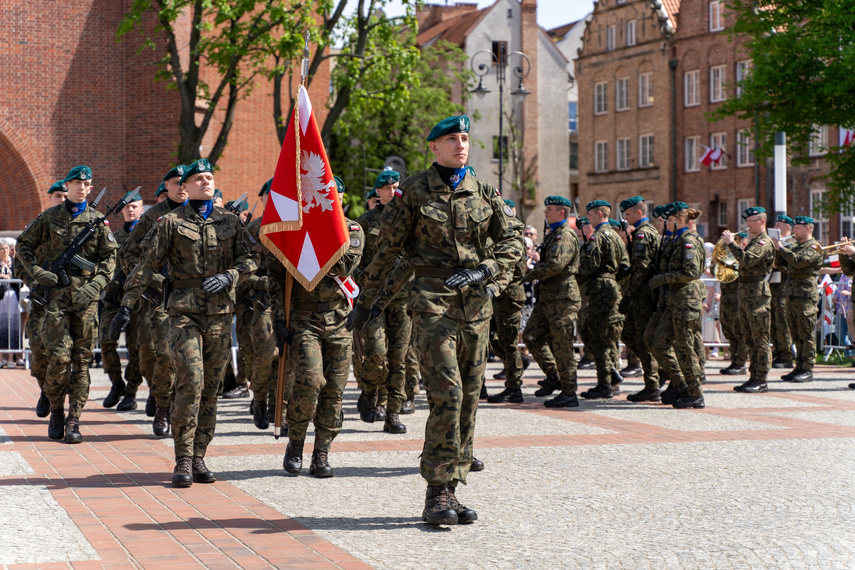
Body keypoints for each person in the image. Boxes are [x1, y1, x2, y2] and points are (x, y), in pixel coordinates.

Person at [347, 115, 523, 526]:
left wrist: (487, 270)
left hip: (476, 308)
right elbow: (387, 250)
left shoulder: (482, 190)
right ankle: (437, 492)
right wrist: (368, 300)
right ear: (434, 147)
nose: (461, 144)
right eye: (451, 139)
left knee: (470, 399)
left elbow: (514, 237)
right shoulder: (412, 191)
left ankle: (454, 487)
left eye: (464, 138)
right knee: (447, 395)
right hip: (431, 305)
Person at [113, 159, 256, 486]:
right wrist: (125, 305)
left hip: (220, 316)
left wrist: (230, 275)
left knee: (210, 389)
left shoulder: (230, 223)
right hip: (183, 313)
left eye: (209, 178)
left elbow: (250, 260)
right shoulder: (169, 223)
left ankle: (199, 456)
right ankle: (182, 459)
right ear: (185, 187)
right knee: (190, 380)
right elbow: (145, 265)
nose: (206, 183)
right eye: (198, 179)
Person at [17, 165, 118, 443]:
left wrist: (96, 285)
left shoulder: (98, 221)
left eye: (86, 184)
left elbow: (109, 260)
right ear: (68, 185)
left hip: (85, 301)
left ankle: (74, 420)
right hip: (55, 301)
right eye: (76, 183)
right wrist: (38, 274)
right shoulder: (50, 218)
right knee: (59, 359)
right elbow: (23, 245)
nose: (81, 188)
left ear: (90, 188)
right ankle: (56, 410)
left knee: (82, 362)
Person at [272, 184, 364, 478]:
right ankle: (296, 442)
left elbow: (344, 267)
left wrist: (322, 231)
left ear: (340, 198)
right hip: (303, 319)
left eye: (334, 193)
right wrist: (278, 319)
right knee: (311, 381)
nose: (328, 198)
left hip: (338, 319)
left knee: (334, 391)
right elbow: (277, 278)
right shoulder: (295, 229)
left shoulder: (352, 229)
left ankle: (322, 451)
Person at [118, 165, 188, 431]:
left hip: (192, 298)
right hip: (159, 298)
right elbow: (128, 254)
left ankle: (175, 409)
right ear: (166, 185)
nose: (182, 186)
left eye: (186, 181)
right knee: (160, 355)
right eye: (176, 182)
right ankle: (162, 405)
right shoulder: (153, 216)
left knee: (187, 359)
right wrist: (153, 281)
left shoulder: (201, 215)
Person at [352, 170, 409, 433]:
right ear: (378, 192)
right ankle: (370, 390)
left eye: (396, 187)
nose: (392, 191)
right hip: (373, 297)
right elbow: (354, 262)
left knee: (399, 357)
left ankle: (393, 414)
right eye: (387, 188)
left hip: (402, 298)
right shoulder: (364, 222)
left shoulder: (409, 219)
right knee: (376, 352)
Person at [518, 195, 581, 407]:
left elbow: (556, 265)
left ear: (561, 212)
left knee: (562, 345)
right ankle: (554, 376)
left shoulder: (564, 235)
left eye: (549, 209)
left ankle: (569, 393)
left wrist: (528, 275)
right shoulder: (553, 234)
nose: (545, 212)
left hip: (562, 297)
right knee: (531, 335)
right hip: (548, 297)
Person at [648, 204, 706, 408]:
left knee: (685, 346)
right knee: (655, 340)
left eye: (670, 220)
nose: (666, 224)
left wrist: (664, 278)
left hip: (685, 300)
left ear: (679, 220)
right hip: (674, 301)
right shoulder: (677, 240)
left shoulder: (688, 241)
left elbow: (691, 273)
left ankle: (695, 392)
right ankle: (681, 383)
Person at [721, 206, 774, 393]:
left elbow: (747, 261)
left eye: (752, 221)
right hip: (746, 294)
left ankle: (761, 379)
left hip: (757, 296)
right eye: (747, 222)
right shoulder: (753, 241)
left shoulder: (763, 242)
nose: (748, 225)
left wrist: (731, 244)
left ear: (762, 222)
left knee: (760, 338)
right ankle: (753, 376)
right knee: (750, 338)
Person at [577, 200, 627, 399]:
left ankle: (604, 382)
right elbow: (625, 266)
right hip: (613, 286)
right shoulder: (615, 236)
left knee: (595, 335)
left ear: (599, 214)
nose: (588, 218)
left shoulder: (597, 237)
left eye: (590, 215)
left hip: (599, 288)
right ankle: (611, 375)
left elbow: (589, 266)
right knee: (606, 336)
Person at [99, 192, 144, 408]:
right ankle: (117, 383)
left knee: (136, 348)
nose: (130, 210)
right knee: (106, 341)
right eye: (126, 207)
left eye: (134, 206)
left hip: (137, 301)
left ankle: (132, 391)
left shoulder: (147, 236)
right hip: (114, 299)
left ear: (142, 210)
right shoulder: (114, 237)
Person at [618, 196, 663, 402]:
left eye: (628, 214)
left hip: (643, 295)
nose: (625, 219)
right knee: (629, 335)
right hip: (642, 293)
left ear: (639, 212)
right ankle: (655, 377)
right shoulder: (643, 232)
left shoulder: (643, 234)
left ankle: (653, 383)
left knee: (642, 340)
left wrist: (629, 294)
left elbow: (641, 269)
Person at [243, 179, 279, 429]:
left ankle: (281, 408)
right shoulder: (255, 229)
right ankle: (259, 398)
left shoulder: (297, 226)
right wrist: (267, 283)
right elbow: (244, 271)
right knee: (266, 355)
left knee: (290, 357)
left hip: (294, 302)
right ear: (264, 198)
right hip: (265, 302)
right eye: (272, 194)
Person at [773, 216, 822, 382]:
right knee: (795, 332)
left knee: (806, 333)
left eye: (797, 228)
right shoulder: (795, 245)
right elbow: (781, 264)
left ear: (807, 228)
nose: (794, 231)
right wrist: (779, 248)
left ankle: (807, 368)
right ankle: (798, 366)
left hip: (805, 295)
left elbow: (799, 261)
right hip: (792, 293)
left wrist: (781, 248)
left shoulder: (814, 246)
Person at [717, 231, 749, 374]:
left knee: (739, 331)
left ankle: (741, 363)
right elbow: (716, 271)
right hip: (726, 298)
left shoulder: (741, 257)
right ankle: (734, 361)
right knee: (729, 331)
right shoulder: (726, 258)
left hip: (737, 298)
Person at [770, 214, 795, 368]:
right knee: (773, 321)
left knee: (782, 322)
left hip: (784, 285)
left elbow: (792, 264)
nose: (776, 227)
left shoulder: (791, 243)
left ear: (787, 226)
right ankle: (777, 352)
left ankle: (786, 355)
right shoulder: (773, 242)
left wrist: (777, 265)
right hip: (772, 284)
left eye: (779, 224)